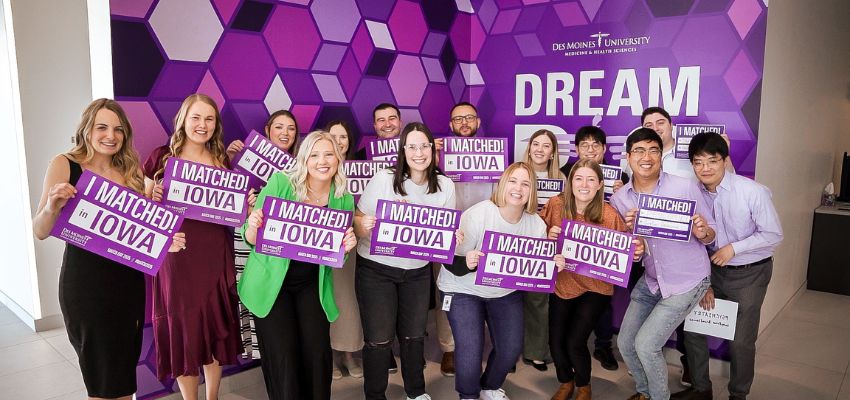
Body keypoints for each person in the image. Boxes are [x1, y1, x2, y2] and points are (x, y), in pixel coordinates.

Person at [32, 99, 185, 400]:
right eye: (102, 127)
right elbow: (40, 230)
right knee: (102, 382)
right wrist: (51, 205)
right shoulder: (65, 164)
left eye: (118, 129)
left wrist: (166, 241)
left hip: (128, 287)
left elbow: (139, 234)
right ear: (86, 129)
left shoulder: (131, 173)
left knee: (124, 379)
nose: (110, 136)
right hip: (87, 287)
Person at [239, 130, 357, 399]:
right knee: (283, 356)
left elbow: (336, 255)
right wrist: (253, 226)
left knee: (317, 353)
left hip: (310, 284)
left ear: (338, 159)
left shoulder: (343, 199)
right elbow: (252, 235)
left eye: (329, 154)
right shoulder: (282, 183)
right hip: (271, 283)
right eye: (314, 155)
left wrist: (347, 247)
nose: (322, 161)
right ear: (304, 159)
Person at [144, 93, 242, 400]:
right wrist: (153, 196)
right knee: (185, 332)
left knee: (213, 331)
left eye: (209, 119)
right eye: (196, 118)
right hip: (176, 256)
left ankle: (212, 397)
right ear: (183, 121)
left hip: (215, 253)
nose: (202, 125)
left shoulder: (221, 160)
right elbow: (141, 210)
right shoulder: (161, 157)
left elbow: (233, 209)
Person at [672, 132, 783, 400]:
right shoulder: (692, 193)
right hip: (710, 272)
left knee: (741, 342)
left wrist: (734, 248)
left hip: (750, 274)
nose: (705, 168)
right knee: (694, 330)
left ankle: (738, 394)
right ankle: (701, 388)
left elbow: (773, 234)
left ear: (725, 160)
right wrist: (706, 280)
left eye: (712, 160)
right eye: (698, 162)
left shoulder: (752, 191)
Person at [439, 162, 562, 400]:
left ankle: (490, 386)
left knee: (510, 349)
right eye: (513, 181)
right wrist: (469, 261)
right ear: (503, 185)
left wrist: (551, 265)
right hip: (462, 288)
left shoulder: (535, 224)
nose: (518, 188)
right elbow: (449, 261)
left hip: (503, 293)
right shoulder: (478, 213)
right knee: (470, 351)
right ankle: (468, 395)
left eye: (525, 184)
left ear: (531, 191)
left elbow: (534, 270)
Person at [609, 128, 715, 400]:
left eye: (654, 150)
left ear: (661, 156)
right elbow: (631, 246)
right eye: (640, 151)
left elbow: (711, 233)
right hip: (653, 279)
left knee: (646, 345)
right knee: (625, 342)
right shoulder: (621, 199)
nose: (647, 157)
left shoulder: (683, 186)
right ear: (628, 156)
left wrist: (703, 231)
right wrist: (635, 248)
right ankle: (646, 392)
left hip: (687, 278)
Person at [354, 122, 456, 400]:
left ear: (433, 149)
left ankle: (416, 392)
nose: (419, 152)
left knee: (413, 336)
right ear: (403, 150)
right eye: (412, 146)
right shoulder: (383, 179)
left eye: (424, 145)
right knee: (378, 339)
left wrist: (451, 236)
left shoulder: (445, 185)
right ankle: (375, 395)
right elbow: (357, 220)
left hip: (417, 272)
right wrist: (367, 226)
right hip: (376, 270)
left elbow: (444, 233)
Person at [541, 159, 644, 400]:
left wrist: (636, 251)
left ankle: (584, 386)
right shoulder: (556, 205)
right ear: (570, 182)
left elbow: (625, 252)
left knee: (575, 341)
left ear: (599, 185)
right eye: (579, 178)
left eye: (590, 179)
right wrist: (548, 234)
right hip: (562, 283)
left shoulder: (609, 215)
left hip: (595, 288)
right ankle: (566, 382)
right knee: (555, 342)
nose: (584, 184)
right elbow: (535, 235)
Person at [226, 110, 299, 360]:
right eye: (279, 127)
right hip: (247, 230)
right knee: (251, 286)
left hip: (280, 240)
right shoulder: (245, 156)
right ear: (268, 130)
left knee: (275, 290)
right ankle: (259, 350)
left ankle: (277, 347)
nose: (285, 133)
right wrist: (232, 159)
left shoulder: (299, 167)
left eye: (290, 128)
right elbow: (226, 195)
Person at [559, 126, 628, 371]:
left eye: (595, 145)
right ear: (576, 149)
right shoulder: (564, 174)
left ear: (604, 149)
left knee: (602, 301)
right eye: (584, 145)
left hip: (602, 253)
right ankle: (566, 348)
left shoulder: (620, 176)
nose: (590, 149)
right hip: (569, 257)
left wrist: (623, 192)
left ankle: (603, 345)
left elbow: (627, 217)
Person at [520, 129, 566, 371]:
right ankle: (507, 350)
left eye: (545, 146)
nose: (539, 149)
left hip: (545, 243)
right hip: (517, 239)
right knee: (509, 298)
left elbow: (566, 214)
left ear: (552, 152)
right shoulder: (517, 171)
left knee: (538, 299)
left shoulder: (562, 180)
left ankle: (536, 351)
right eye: (535, 143)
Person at [324, 120, 365, 380]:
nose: (339, 141)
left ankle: (348, 353)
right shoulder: (317, 167)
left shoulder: (360, 171)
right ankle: (327, 355)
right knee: (322, 299)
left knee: (347, 299)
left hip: (349, 243)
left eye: (343, 136)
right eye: (333, 136)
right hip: (318, 246)